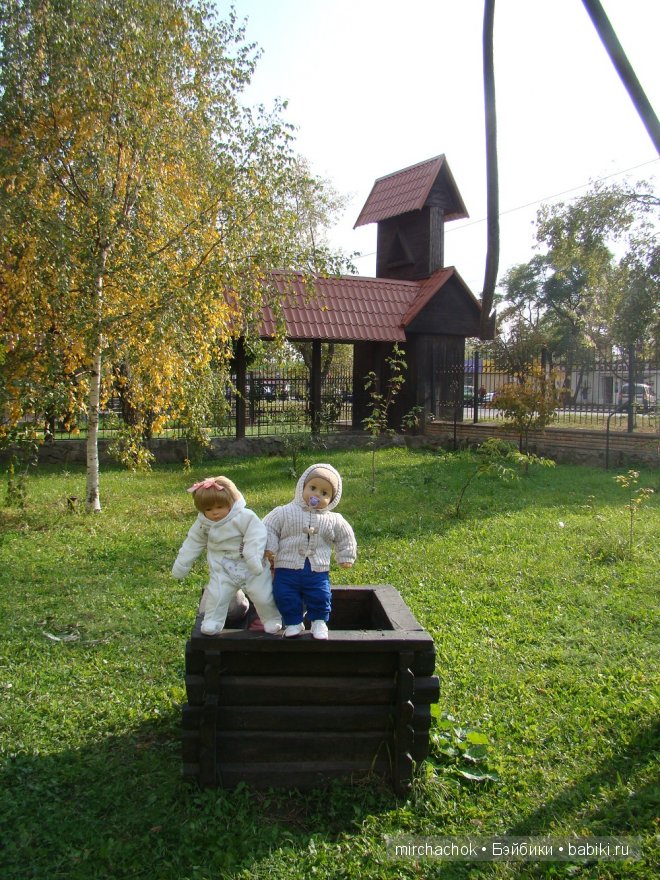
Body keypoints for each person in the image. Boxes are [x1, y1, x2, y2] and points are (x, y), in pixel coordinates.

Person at [172, 476, 282, 636]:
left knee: (262, 595)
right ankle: (212, 622)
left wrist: (252, 556)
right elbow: (192, 543)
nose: (215, 512)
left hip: (251, 567)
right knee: (217, 596)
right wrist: (182, 564)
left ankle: (271, 619)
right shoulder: (203, 524)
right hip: (223, 569)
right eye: (208, 509)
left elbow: (256, 535)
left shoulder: (244, 517)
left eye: (220, 506)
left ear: (231, 501)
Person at [263, 463, 357, 640]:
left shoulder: (334, 519)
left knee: (321, 594)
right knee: (284, 594)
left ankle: (319, 621)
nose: (317, 495)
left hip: (317, 569)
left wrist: (346, 556)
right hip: (286, 567)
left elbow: (346, 536)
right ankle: (293, 622)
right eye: (312, 488)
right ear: (302, 487)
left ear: (333, 499)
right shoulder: (284, 512)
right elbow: (268, 527)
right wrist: (270, 547)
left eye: (324, 493)